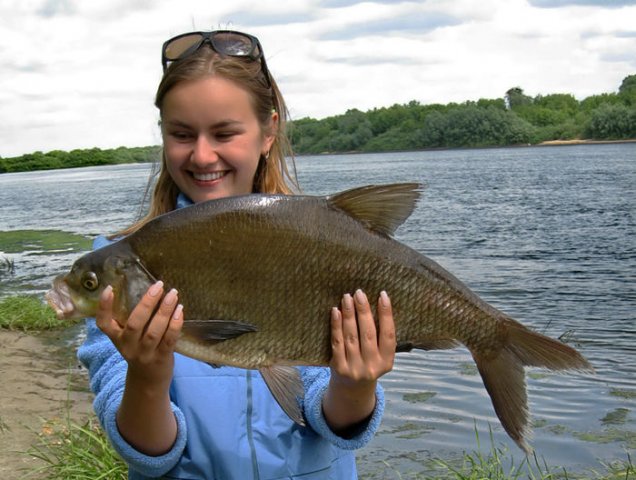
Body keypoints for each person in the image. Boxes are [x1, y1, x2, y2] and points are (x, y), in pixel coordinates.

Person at [78, 30, 396, 479]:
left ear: (268, 131)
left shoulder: (316, 247)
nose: (203, 155)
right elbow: (147, 453)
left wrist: (355, 381)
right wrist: (146, 376)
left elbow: (337, 422)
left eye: (224, 133)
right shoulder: (118, 267)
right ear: (163, 135)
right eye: (182, 134)